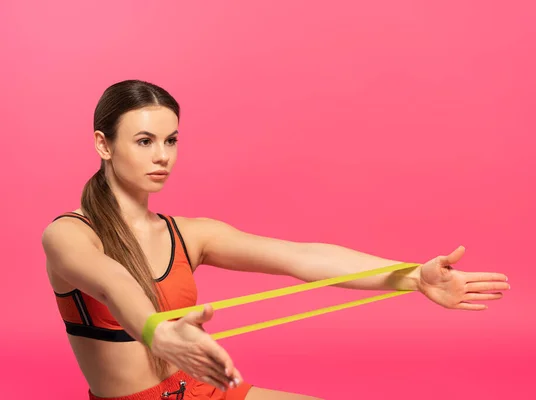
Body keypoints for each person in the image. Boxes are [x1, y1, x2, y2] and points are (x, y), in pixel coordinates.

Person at [41, 79, 510, 400]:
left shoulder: (191, 234)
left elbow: (301, 257)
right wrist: (156, 332)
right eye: (144, 141)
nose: (163, 156)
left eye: (172, 140)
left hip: (208, 392)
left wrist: (412, 278)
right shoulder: (68, 235)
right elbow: (112, 282)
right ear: (104, 144)